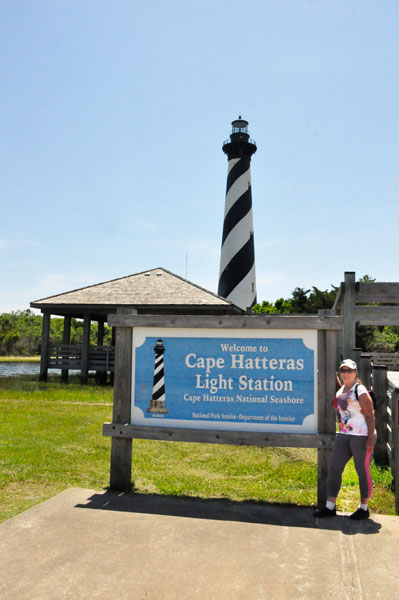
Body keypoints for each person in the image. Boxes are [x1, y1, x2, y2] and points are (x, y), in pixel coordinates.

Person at [315, 359, 376, 520]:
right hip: (344, 434)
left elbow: (370, 414)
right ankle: (330, 506)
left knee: (362, 471)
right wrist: (334, 377)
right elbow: (341, 399)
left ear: (355, 373)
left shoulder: (360, 390)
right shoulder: (342, 389)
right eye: (343, 371)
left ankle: (364, 508)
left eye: (350, 371)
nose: (346, 374)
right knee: (334, 467)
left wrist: (370, 439)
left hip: (361, 436)